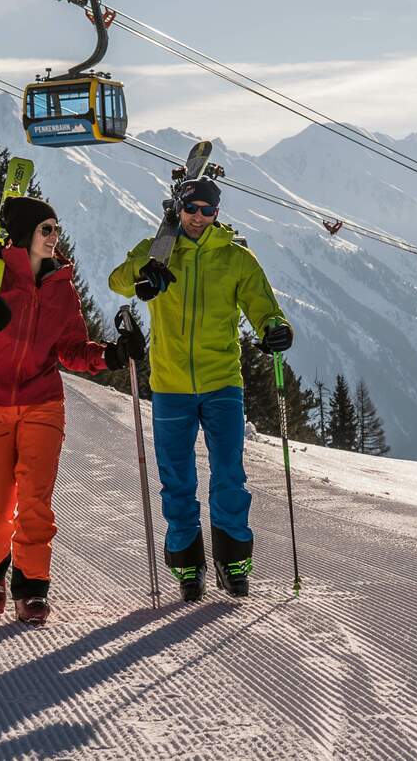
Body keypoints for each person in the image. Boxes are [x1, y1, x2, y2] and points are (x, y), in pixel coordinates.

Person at [0, 196, 144, 625]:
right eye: (46, 229)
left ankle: (32, 588)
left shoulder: (61, 286)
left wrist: (112, 355)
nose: (54, 237)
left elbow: (72, 349)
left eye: (56, 229)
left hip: (43, 404)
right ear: (24, 233)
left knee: (35, 501)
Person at [109, 176, 292, 601]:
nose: (198, 217)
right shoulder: (158, 250)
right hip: (170, 384)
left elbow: (264, 308)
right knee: (177, 480)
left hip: (222, 381)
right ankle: (188, 564)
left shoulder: (236, 258)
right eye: (191, 208)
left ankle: (233, 560)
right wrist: (144, 273)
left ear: (217, 213)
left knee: (229, 474)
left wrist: (276, 328)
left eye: (207, 210)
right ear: (179, 209)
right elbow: (118, 281)